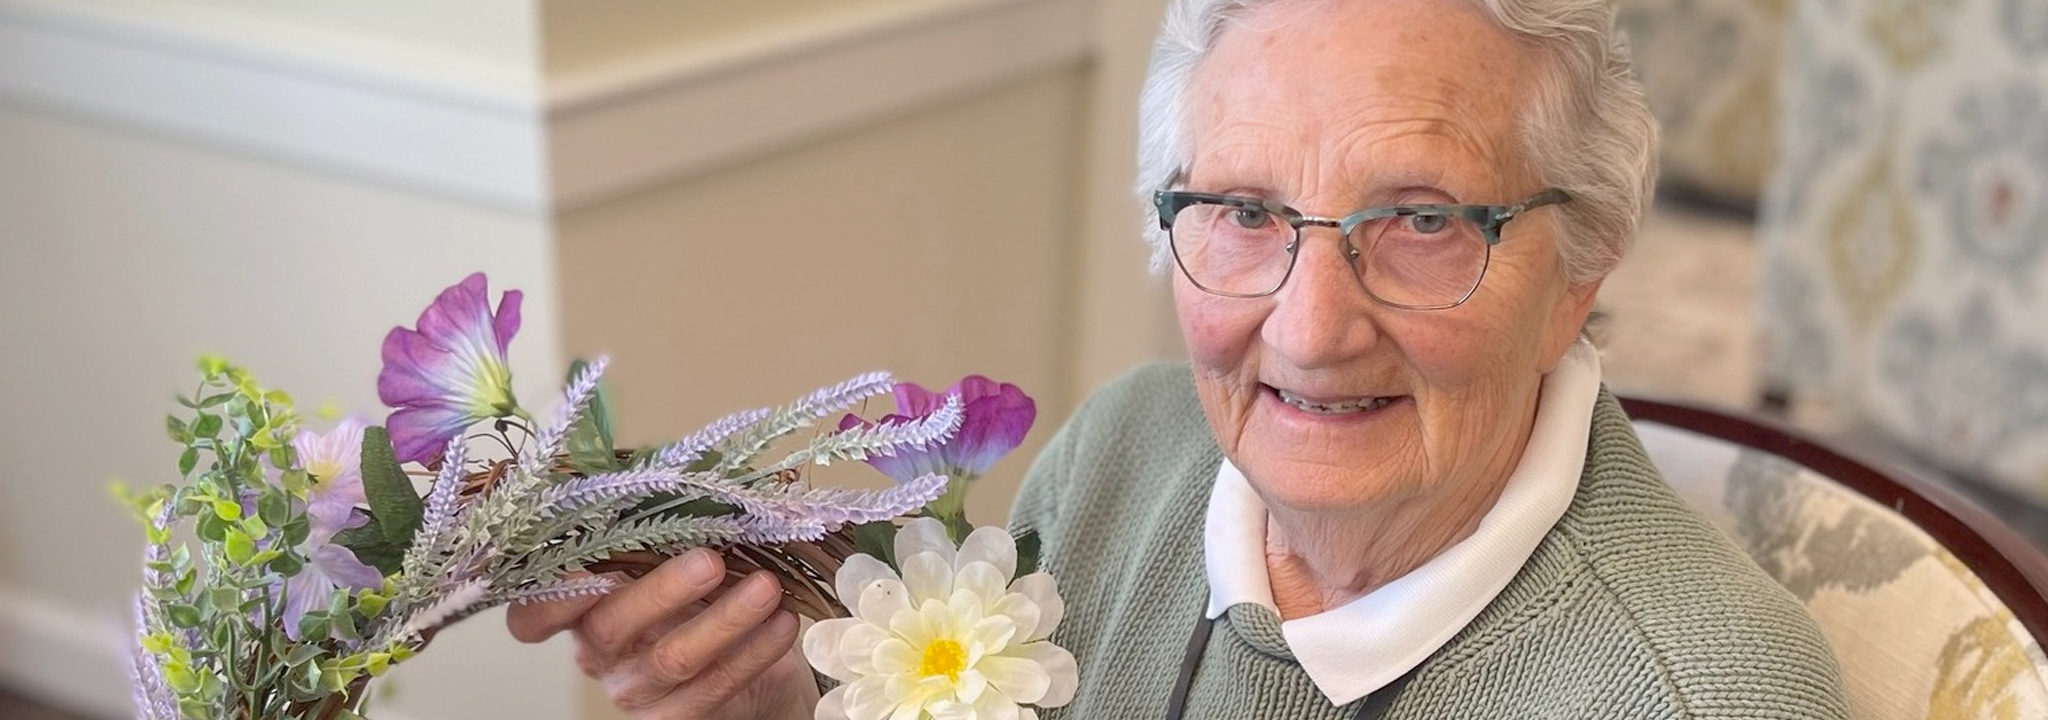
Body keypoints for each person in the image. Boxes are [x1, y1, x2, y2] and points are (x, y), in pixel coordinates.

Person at [507, 0, 1851, 716]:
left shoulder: (1703, 701)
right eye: (1247, 214)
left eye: (1425, 220)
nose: (1314, 329)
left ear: (1584, 264)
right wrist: (777, 717)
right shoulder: (1122, 454)